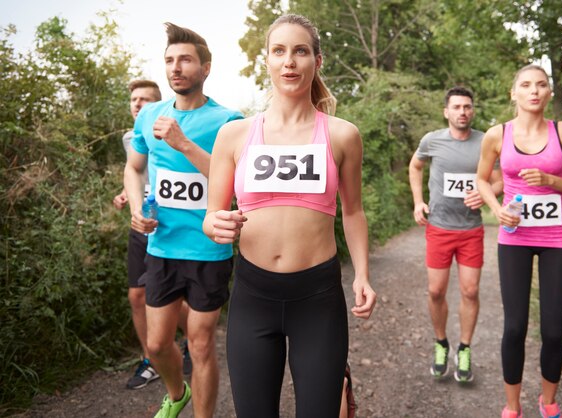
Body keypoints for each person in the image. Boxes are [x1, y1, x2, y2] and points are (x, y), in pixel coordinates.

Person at [203, 14, 376, 418]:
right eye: (279, 51)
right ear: (266, 61)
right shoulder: (235, 134)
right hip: (253, 294)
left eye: (300, 51)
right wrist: (216, 224)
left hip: (318, 297)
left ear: (318, 60)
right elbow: (212, 214)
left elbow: (352, 211)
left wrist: (363, 275)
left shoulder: (342, 134)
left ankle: (338, 384)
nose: (289, 62)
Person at [124, 23, 243, 418]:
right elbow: (134, 166)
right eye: (170, 61)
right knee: (157, 345)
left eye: (186, 60)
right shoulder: (150, 115)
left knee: (202, 341)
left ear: (205, 68)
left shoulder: (229, 120)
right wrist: (136, 209)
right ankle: (177, 394)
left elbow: (236, 182)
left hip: (208, 248)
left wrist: (184, 143)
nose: (176, 68)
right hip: (162, 245)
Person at [476, 64, 562, 418]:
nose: (534, 91)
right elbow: (482, 180)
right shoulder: (497, 134)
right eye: (526, 85)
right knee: (514, 326)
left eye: (541, 85)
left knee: (554, 330)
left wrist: (550, 180)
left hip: (558, 238)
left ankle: (549, 401)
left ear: (549, 92)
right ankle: (512, 407)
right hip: (515, 237)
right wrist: (496, 208)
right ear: (514, 93)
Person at [408, 87, 502, 382]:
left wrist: (486, 195)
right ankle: (440, 343)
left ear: (473, 111)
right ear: (446, 112)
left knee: (470, 291)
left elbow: (499, 181)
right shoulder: (432, 140)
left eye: (468, 107)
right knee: (436, 290)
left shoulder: (485, 141)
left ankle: (464, 348)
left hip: (471, 229)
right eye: (457, 107)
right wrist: (418, 201)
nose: (463, 111)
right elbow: (415, 165)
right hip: (439, 227)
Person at [113, 80, 193, 390]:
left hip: (170, 221)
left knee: (169, 297)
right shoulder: (128, 137)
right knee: (137, 295)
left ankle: (190, 337)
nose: (138, 104)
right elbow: (137, 172)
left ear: (159, 106)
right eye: (134, 99)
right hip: (141, 222)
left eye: (145, 99)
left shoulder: (172, 131)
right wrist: (125, 197)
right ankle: (151, 359)